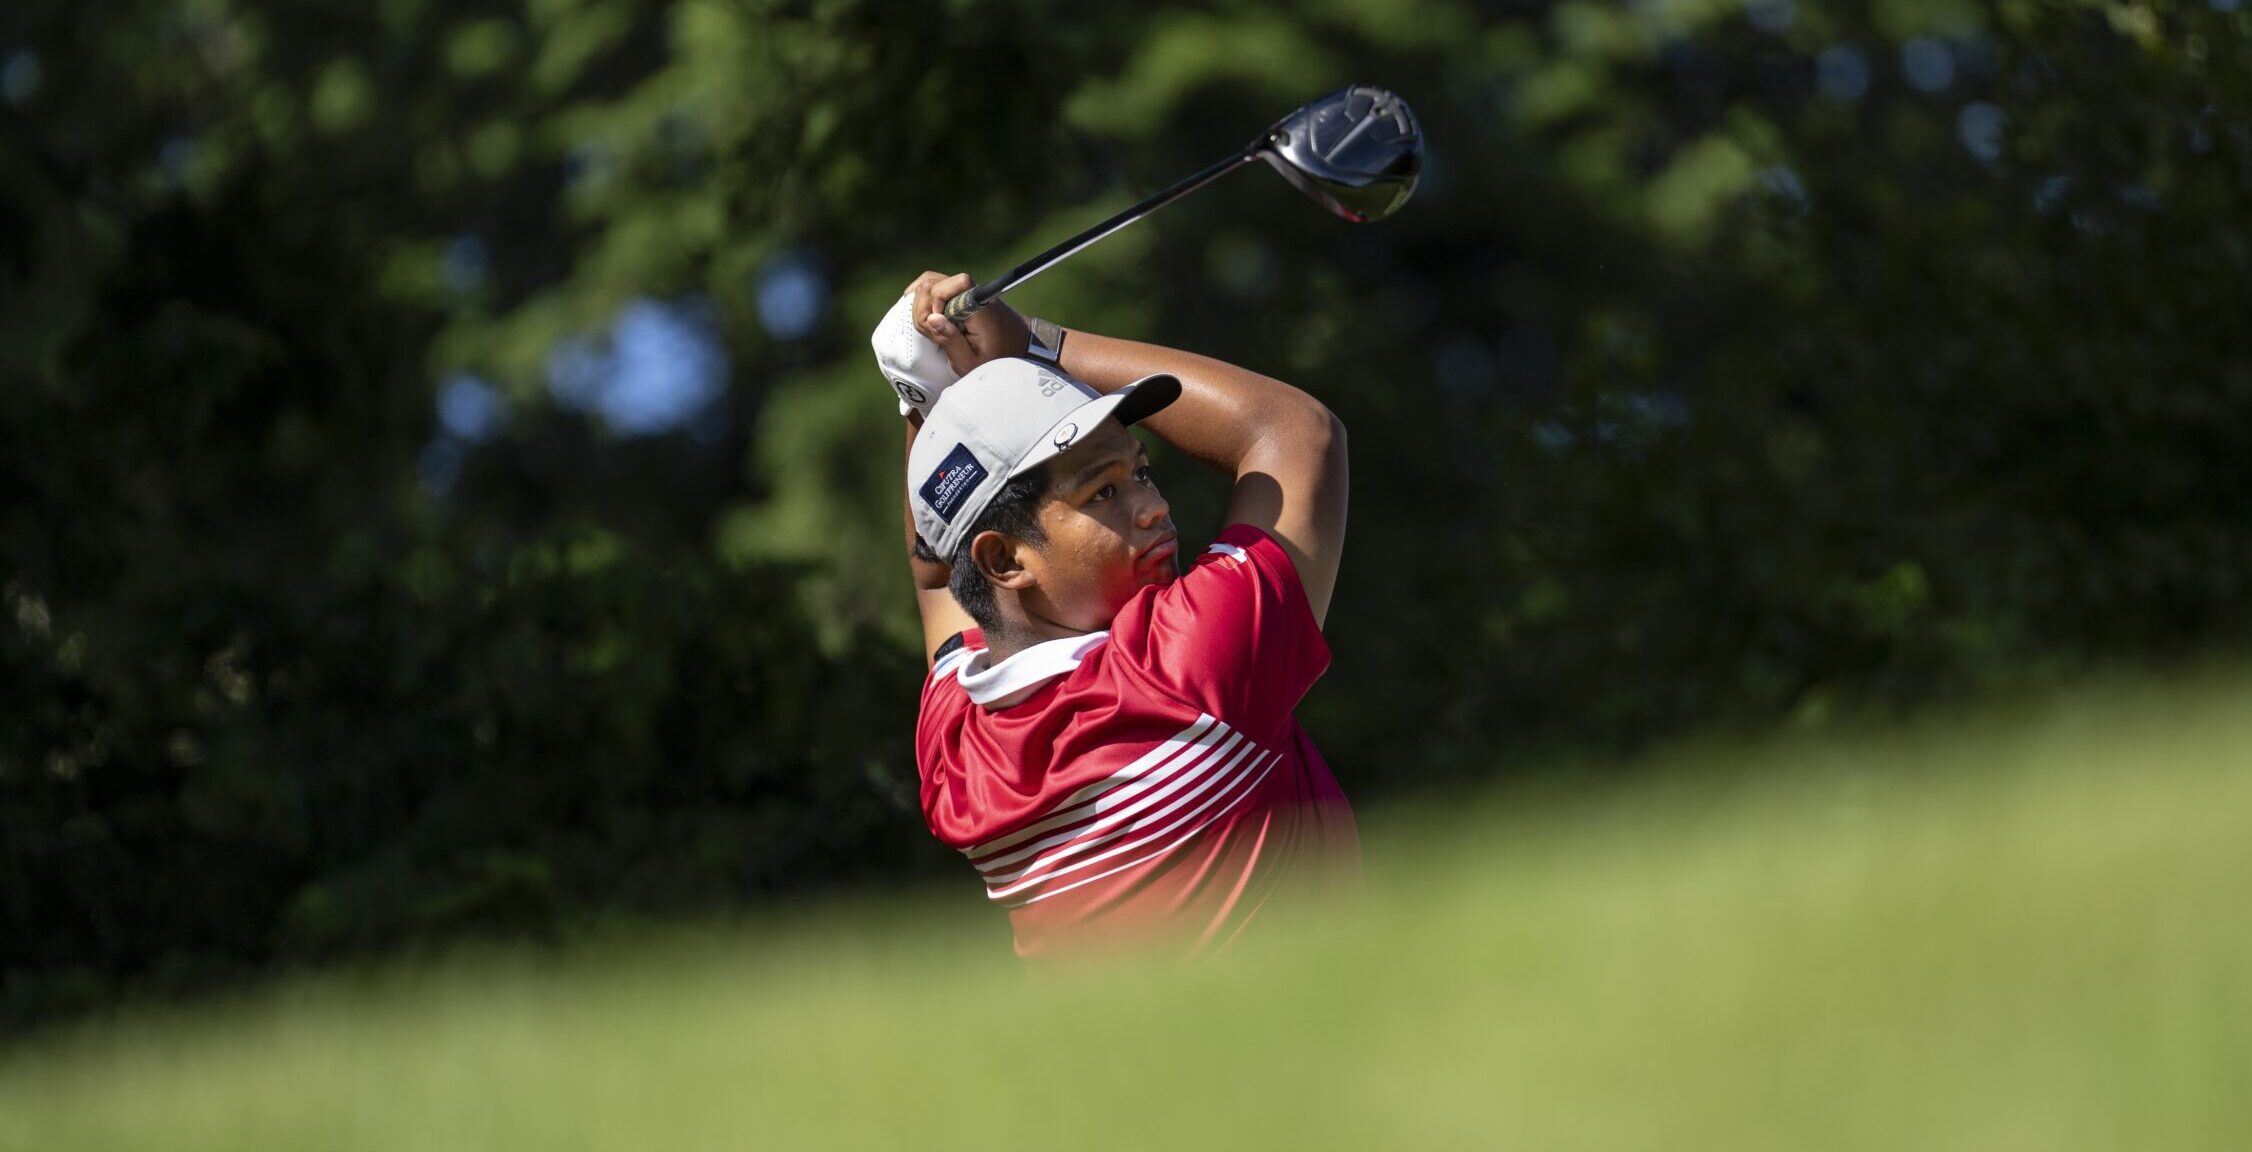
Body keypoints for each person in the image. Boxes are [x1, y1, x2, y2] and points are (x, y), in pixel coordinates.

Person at [886, 271, 1359, 965]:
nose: (1154, 507)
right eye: (1103, 492)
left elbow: (937, 576)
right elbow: (1297, 432)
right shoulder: (1184, 669)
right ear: (1006, 559)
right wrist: (1035, 344)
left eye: (1140, 471)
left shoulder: (955, 747)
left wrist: (924, 396)